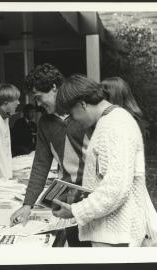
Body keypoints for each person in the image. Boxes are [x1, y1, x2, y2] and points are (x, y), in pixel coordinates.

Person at [53, 74, 148, 247]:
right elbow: (104, 179)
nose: (74, 121)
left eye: (72, 115)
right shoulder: (110, 121)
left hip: (117, 239)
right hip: (114, 234)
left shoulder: (115, 125)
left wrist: (77, 210)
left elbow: (116, 189)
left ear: (82, 104)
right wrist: (81, 196)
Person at [10, 63, 92, 247]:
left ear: (54, 88)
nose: (37, 104)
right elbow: (41, 164)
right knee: (77, 251)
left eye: (39, 97)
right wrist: (27, 205)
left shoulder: (85, 114)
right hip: (70, 199)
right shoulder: (45, 123)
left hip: (95, 197)